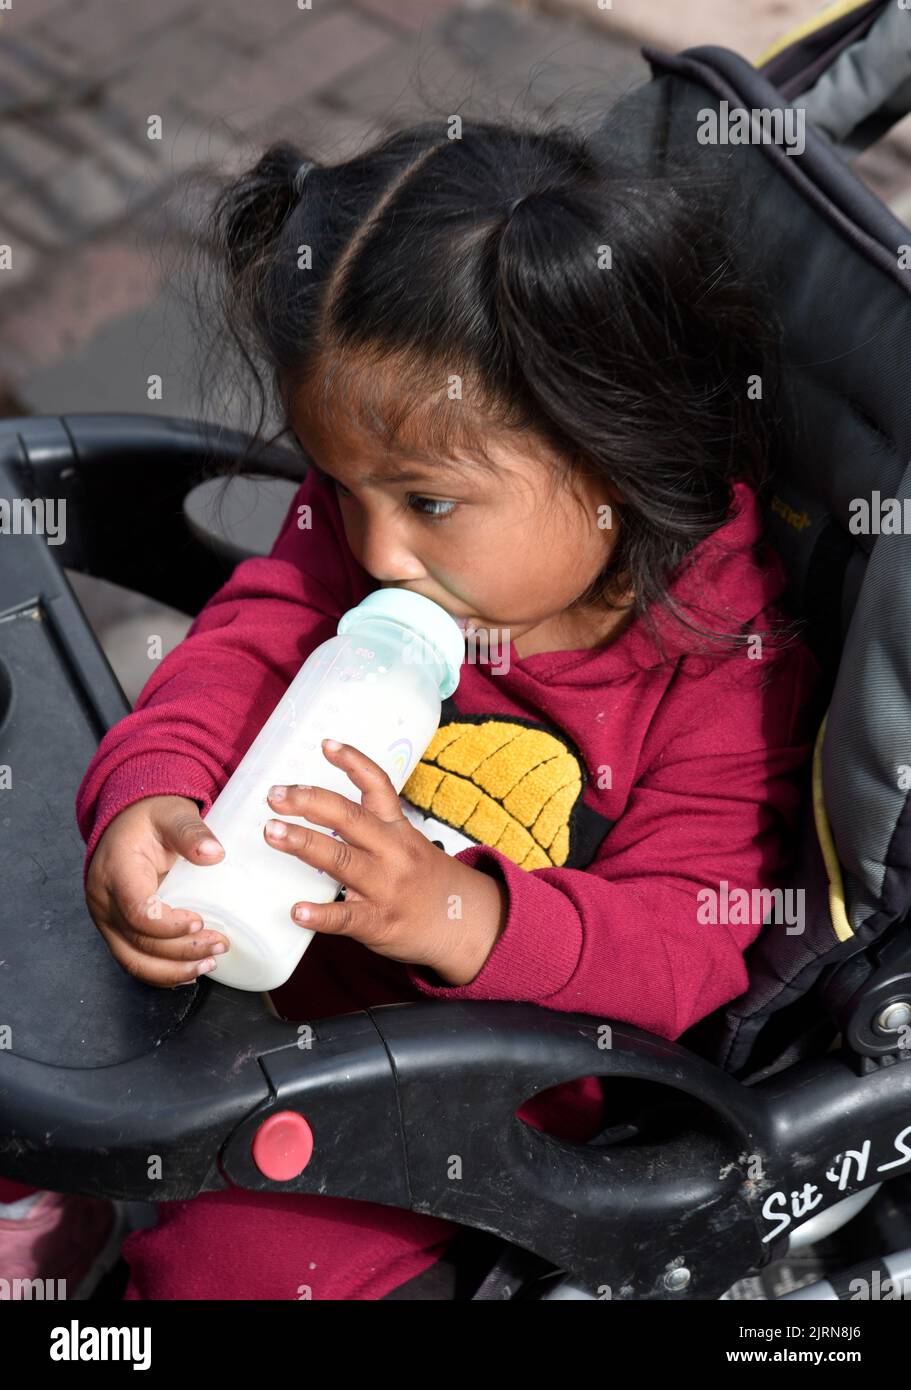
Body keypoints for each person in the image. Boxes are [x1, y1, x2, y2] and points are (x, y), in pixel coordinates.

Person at [5, 116, 824, 1299]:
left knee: (233, 1266)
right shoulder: (382, 548)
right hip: (232, 962)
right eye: (338, 484)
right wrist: (155, 791)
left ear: (612, 457)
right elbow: (242, 648)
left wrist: (456, 911)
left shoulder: (718, 667)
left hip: (453, 1090)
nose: (376, 546)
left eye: (428, 501)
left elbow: (685, 945)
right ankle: (68, 1200)